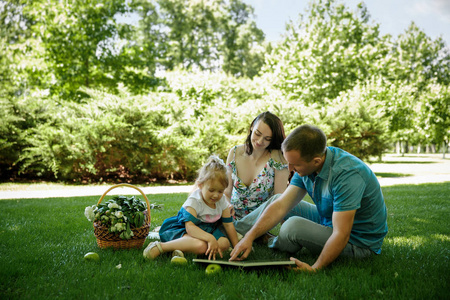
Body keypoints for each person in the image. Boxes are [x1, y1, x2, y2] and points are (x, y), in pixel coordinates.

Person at [229, 124, 388, 271]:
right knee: (278, 198)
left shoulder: (347, 174)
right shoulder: (308, 164)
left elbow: (342, 233)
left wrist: (315, 268)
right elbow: (281, 205)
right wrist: (250, 237)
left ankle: (270, 242)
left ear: (316, 161)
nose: (290, 169)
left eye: (295, 165)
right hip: (328, 219)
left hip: (357, 243)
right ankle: (232, 233)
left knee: (293, 226)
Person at [143, 155, 239, 261]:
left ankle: (181, 250)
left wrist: (237, 247)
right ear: (200, 185)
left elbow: (228, 225)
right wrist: (210, 238)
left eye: (220, 191)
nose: (216, 195)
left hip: (207, 230)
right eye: (211, 190)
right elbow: (190, 228)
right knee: (201, 245)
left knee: (224, 243)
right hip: (184, 230)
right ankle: (160, 247)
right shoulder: (195, 201)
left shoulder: (222, 201)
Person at [224, 111, 290, 235]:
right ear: (251, 128)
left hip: (260, 221)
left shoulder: (278, 158)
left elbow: (279, 200)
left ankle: (237, 232)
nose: (260, 141)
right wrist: (227, 205)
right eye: (257, 134)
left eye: (267, 139)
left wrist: (286, 229)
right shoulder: (235, 152)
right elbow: (226, 192)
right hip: (231, 216)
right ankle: (234, 230)